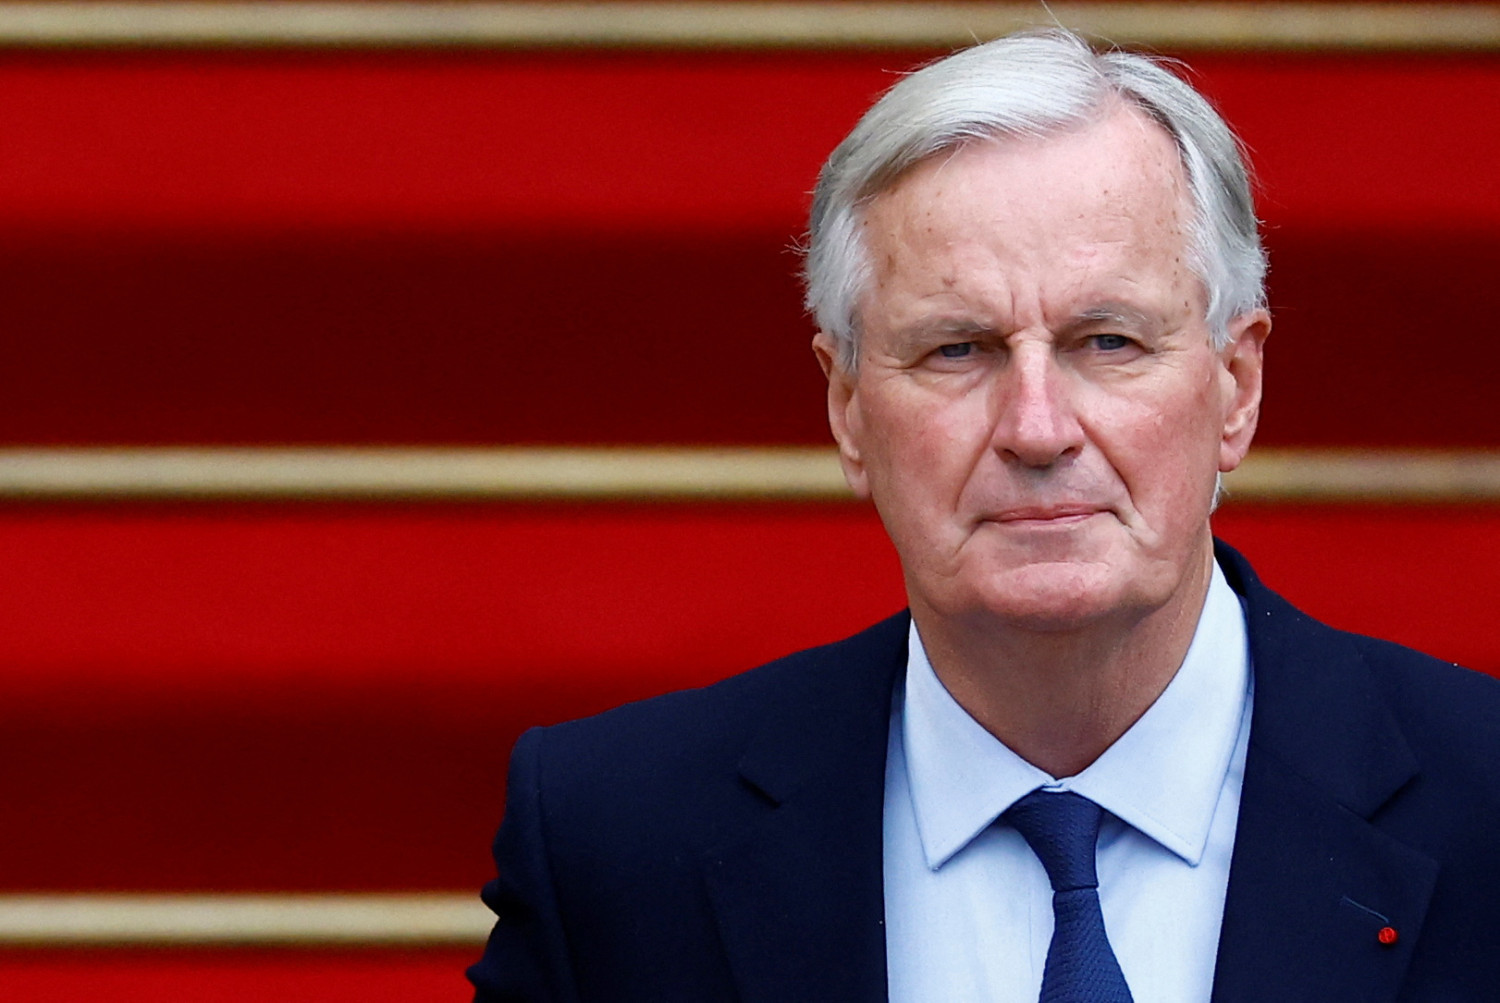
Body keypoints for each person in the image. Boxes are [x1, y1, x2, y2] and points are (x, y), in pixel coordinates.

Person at [468, 29, 1500, 1002]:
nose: (1038, 428)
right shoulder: (618, 840)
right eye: (957, 349)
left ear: (1235, 385)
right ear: (848, 407)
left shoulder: (1483, 800)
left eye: (1109, 341)